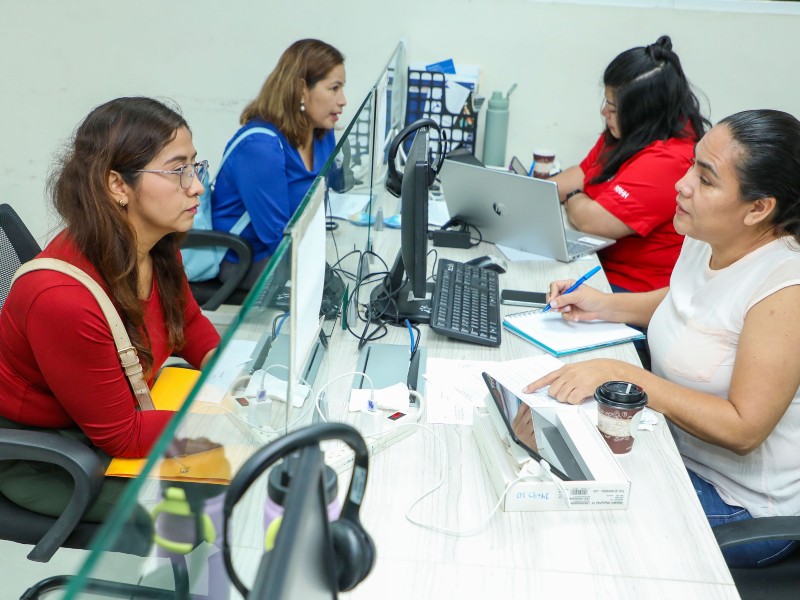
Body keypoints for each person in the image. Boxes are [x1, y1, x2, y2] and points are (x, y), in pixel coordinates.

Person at [525, 109, 800, 568]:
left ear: (758, 208)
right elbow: (686, 305)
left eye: (705, 179)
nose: (682, 184)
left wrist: (626, 376)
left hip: (738, 503)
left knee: (568, 525)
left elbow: (744, 429)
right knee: (539, 459)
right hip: (670, 448)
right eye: (692, 165)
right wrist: (604, 305)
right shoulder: (707, 234)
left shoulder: (784, 290)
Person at [0, 97, 221, 523]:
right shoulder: (61, 299)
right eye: (178, 170)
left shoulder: (155, 244)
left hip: (120, 412)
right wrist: (225, 424)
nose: (196, 186)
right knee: (219, 505)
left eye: (196, 166)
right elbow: (123, 436)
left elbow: (188, 322)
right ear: (117, 186)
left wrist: (228, 372)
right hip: (51, 455)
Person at [550, 35, 709, 293]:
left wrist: (574, 195)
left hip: (632, 289)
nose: (604, 112)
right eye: (606, 102)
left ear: (643, 113)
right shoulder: (629, 133)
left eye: (614, 108)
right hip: (599, 265)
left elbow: (593, 222)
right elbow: (580, 174)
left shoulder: (669, 161)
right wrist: (528, 192)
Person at [212, 38, 347, 289]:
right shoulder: (260, 147)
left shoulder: (322, 133)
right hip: (248, 260)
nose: (343, 100)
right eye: (334, 88)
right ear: (302, 90)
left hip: (295, 248)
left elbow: (331, 188)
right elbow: (277, 236)